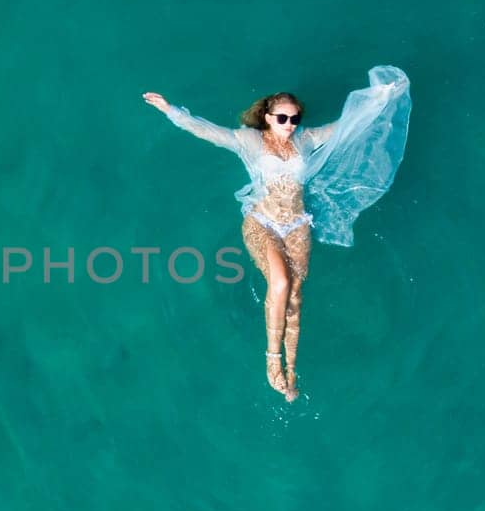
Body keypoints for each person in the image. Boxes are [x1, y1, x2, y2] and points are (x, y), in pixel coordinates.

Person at [143, 66, 412, 399]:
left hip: (298, 225)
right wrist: (172, 111)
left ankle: (291, 374)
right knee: (281, 282)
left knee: (295, 298)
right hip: (262, 221)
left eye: (294, 119)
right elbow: (208, 132)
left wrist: (381, 97)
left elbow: (347, 126)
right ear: (267, 117)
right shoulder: (249, 140)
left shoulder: (305, 139)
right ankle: (272, 361)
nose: (289, 125)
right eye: (282, 118)